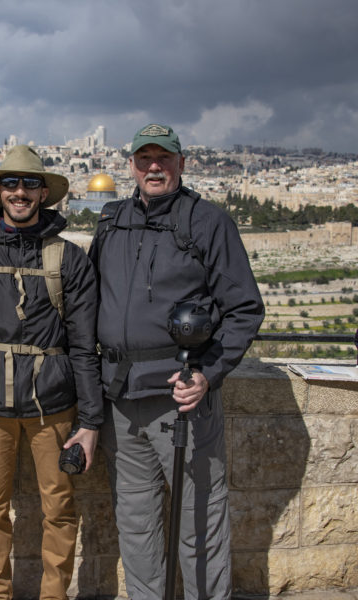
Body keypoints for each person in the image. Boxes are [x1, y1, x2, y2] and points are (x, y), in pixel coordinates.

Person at [89, 124, 264, 600]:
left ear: (181, 164)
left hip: (181, 396)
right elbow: (90, 300)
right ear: (131, 166)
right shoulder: (112, 222)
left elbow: (244, 308)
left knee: (199, 518)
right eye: (144, 158)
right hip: (120, 397)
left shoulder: (207, 222)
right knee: (136, 522)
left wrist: (207, 374)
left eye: (163, 158)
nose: (154, 167)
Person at [0, 145, 103, 600]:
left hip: (52, 405)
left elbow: (83, 347)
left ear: (43, 193)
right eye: (11, 183)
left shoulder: (68, 259)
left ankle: (54, 595)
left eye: (30, 183)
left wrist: (90, 422)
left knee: (60, 507)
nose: (20, 192)